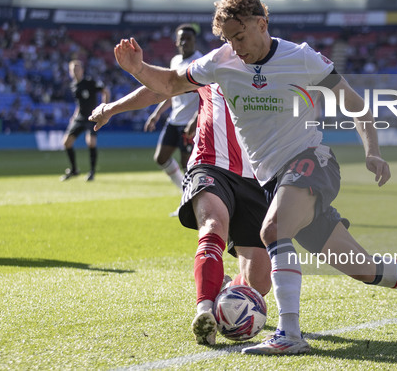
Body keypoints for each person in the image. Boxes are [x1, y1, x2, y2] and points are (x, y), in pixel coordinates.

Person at [91, 0, 397, 355]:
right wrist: (138, 68)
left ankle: (290, 333)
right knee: (364, 269)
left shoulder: (301, 58)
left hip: (311, 161)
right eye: (229, 39)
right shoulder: (222, 61)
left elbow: (355, 104)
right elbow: (171, 84)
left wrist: (373, 151)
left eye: (240, 36)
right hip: (274, 181)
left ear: (261, 23)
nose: (236, 47)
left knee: (272, 230)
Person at [91, 83, 271, 346]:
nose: (238, 43)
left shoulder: (275, 69)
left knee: (260, 284)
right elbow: (161, 87)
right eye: (234, 38)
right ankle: (205, 312)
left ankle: (225, 288)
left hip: (255, 177)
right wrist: (111, 108)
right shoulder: (212, 66)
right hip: (210, 165)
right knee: (212, 224)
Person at [143, 24, 203, 196]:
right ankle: (185, 195)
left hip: (190, 123)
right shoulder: (175, 61)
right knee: (161, 158)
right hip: (174, 120)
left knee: (188, 165)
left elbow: (208, 95)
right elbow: (171, 91)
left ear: (195, 41)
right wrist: (157, 114)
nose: (184, 42)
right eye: (181, 39)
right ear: (176, 42)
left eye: (188, 39)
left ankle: (191, 202)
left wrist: (195, 119)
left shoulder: (200, 63)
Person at [60, 59, 110, 181]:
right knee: (66, 143)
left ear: (82, 70)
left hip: (92, 117)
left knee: (91, 142)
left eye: (77, 69)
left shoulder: (89, 82)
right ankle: (74, 170)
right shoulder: (73, 86)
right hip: (80, 117)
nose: (75, 72)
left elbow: (106, 91)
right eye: (72, 70)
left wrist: (104, 108)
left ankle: (92, 172)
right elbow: (80, 103)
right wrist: (74, 115)